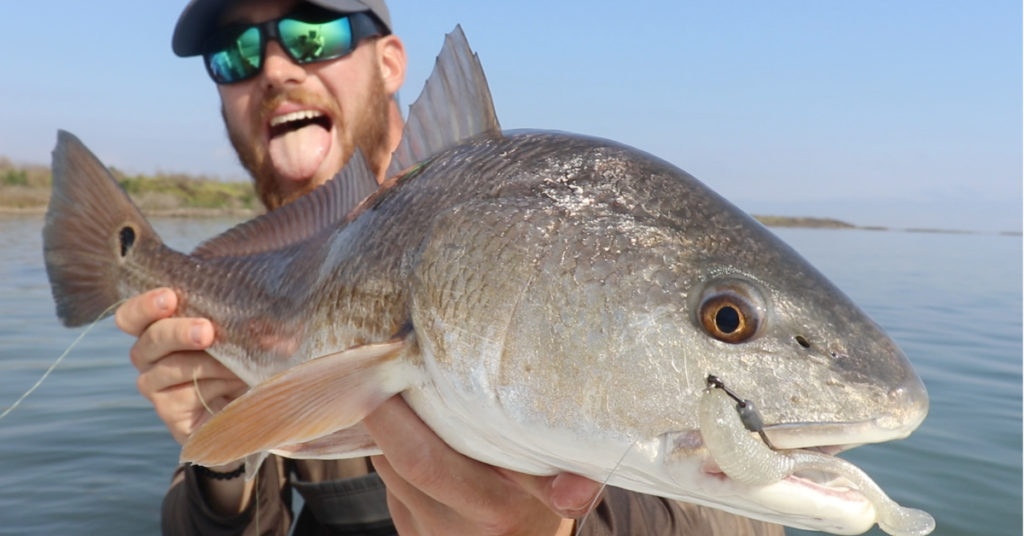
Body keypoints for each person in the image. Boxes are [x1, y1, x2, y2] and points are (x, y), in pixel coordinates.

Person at [115, 1, 786, 534]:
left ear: (389, 61)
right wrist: (223, 454)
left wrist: (568, 527)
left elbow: (741, 522)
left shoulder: (544, 237)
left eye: (312, 35)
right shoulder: (266, 284)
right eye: (233, 55)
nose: (274, 68)